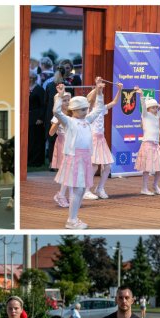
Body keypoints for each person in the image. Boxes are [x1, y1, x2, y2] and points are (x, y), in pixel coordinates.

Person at [52, 78, 106, 229]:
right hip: (74, 158)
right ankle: (71, 220)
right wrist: (59, 96)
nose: (86, 111)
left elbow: (98, 109)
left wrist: (99, 92)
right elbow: (56, 111)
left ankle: (74, 218)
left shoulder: (87, 120)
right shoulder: (68, 121)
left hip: (85, 158)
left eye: (86, 109)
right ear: (74, 110)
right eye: (83, 109)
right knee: (77, 189)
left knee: (81, 190)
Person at [84, 82, 123, 200]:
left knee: (107, 166)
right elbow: (90, 98)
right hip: (93, 139)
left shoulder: (102, 109)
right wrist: (97, 88)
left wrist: (120, 90)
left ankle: (100, 188)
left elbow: (115, 102)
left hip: (101, 139)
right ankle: (86, 190)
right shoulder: (88, 110)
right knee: (94, 165)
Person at [133, 87, 160, 196]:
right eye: (153, 107)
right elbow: (143, 107)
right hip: (147, 144)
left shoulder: (157, 115)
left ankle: (155, 185)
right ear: (149, 109)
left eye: (156, 107)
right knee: (147, 168)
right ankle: (144, 188)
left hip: (156, 145)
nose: (155, 109)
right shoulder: (145, 115)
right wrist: (141, 96)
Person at [49, 90, 72, 206]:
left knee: (71, 171)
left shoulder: (73, 114)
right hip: (63, 144)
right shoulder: (56, 117)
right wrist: (58, 122)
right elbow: (51, 133)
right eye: (64, 100)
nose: (67, 102)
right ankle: (61, 195)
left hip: (72, 144)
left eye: (68, 100)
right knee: (67, 171)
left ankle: (68, 195)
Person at [27, 72, 47, 167]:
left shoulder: (39, 89)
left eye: (32, 77)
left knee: (37, 139)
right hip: (28, 116)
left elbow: (43, 105)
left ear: (35, 78)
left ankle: (37, 160)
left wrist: (40, 118)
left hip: (37, 117)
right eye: (29, 77)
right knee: (30, 139)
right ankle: (29, 159)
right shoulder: (25, 88)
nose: (30, 79)